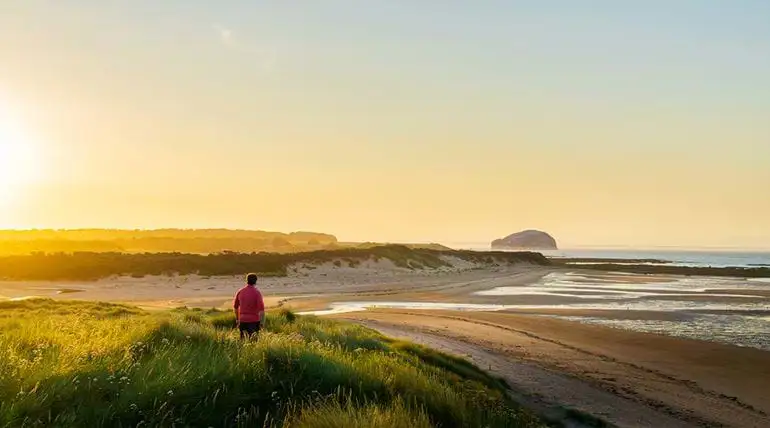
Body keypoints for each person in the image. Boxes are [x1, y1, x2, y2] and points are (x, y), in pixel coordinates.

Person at [233, 273, 265, 340]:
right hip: (254, 321)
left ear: (246, 280)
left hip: (242, 320)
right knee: (253, 342)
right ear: (256, 281)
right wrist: (262, 323)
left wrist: (237, 319)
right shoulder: (257, 293)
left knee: (243, 341)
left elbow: (235, 307)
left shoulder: (240, 291)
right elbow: (261, 310)